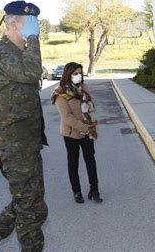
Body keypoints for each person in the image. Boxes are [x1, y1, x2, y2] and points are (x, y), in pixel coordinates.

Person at [0, 1, 48, 251]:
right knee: (31, 213)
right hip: (13, 147)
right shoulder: (4, 53)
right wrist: (34, 39)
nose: (36, 29)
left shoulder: (20, 53)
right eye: (31, 24)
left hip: (26, 143)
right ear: (13, 24)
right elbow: (32, 73)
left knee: (29, 203)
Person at [52, 62, 102, 204]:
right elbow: (67, 117)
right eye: (75, 73)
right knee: (73, 163)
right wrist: (85, 128)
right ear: (68, 74)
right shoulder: (60, 93)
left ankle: (95, 190)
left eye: (80, 72)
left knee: (91, 161)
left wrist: (93, 124)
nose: (78, 76)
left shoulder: (84, 88)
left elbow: (90, 107)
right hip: (71, 134)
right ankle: (77, 192)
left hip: (87, 132)